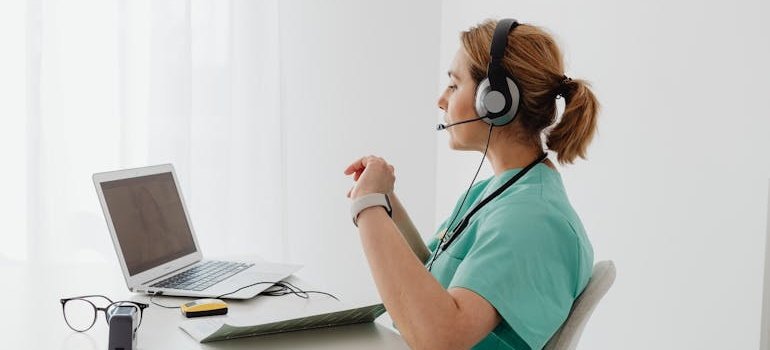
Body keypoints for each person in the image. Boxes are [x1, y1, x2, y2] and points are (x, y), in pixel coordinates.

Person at [344, 18, 599, 350]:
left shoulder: (530, 219)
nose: (441, 100)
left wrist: (368, 207)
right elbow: (433, 277)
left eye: (453, 84)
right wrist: (386, 201)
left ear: (495, 100)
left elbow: (441, 338)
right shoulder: (496, 194)